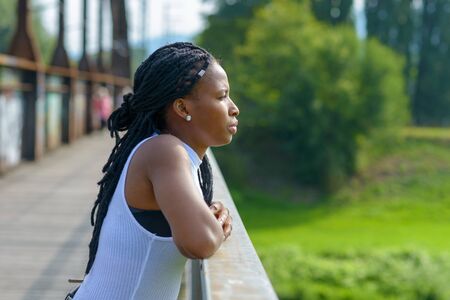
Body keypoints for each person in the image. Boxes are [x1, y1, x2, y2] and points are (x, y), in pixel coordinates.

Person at [70, 42, 238, 299]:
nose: (233, 107)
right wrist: (217, 226)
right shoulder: (164, 151)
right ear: (182, 108)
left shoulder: (166, 151)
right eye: (221, 96)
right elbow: (200, 242)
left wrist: (209, 214)